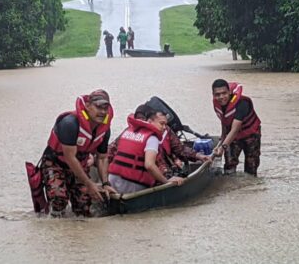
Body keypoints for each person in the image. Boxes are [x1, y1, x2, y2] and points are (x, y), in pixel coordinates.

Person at [41, 89, 117, 217]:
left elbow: (102, 158)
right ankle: (55, 229)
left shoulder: (104, 130)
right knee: (59, 198)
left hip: (80, 164)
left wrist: (105, 183)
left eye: (105, 108)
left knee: (83, 205)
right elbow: (70, 158)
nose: (103, 112)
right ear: (87, 106)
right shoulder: (70, 124)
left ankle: (80, 232)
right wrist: (89, 183)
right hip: (56, 163)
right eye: (98, 107)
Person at [108, 104, 211, 178]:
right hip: (135, 175)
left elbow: (180, 149)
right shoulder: (129, 133)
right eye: (138, 120)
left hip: (161, 173)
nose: (142, 123)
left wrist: (199, 156)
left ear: (150, 120)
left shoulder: (165, 130)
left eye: (143, 119)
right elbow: (110, 152)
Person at [108, 109, 184, 194]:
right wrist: (167, 182)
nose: (164, 127)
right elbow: (149, 165)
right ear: (149, 121)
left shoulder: (129, 131)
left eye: (165, 124)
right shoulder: (152, 138)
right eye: (161, 123)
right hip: (130, 183)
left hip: (112, 180)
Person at [211, 79, 261, 176]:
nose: (221, 97)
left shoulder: (242, 103)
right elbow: (224, 120)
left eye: (224, 93)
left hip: (250, 134)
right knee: (229, 166)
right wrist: (222, 139)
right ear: (213, 94)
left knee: (251, 166)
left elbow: (235, 129)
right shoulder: (217, 103)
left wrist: (223, 147)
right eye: (217, 94)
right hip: (232, 137)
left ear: (229, 92)